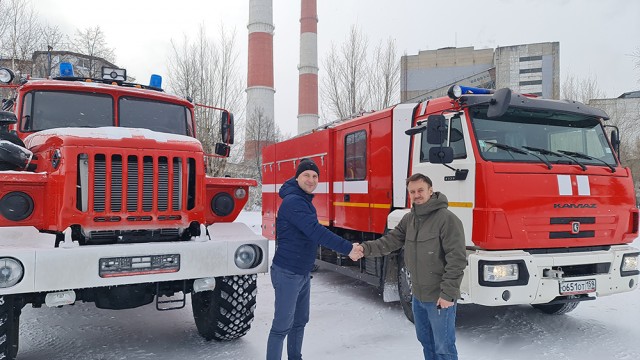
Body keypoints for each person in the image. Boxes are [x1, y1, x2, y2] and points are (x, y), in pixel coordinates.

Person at [354, 173, 466, 360]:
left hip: (439, 297)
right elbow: (390, 241)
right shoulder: (410, 219)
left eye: (421, 190)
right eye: (412, 192)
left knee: (444, 347)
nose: (417, 195)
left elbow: (457, 259)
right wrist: (364, 249)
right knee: (427, 343)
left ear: (431, 190)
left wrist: (447, 294)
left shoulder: (447, 219)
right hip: (418, 298)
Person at [266, 158, 363, 360]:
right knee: (281, 326)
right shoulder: (294, 201)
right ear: (297, 177)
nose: (311, 180)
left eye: (315, 176)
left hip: (301, 272)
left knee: (300, 320)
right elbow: (315, 231)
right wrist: (347, 248)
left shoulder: (302, 200)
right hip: (287, 272)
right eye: (306, 175)